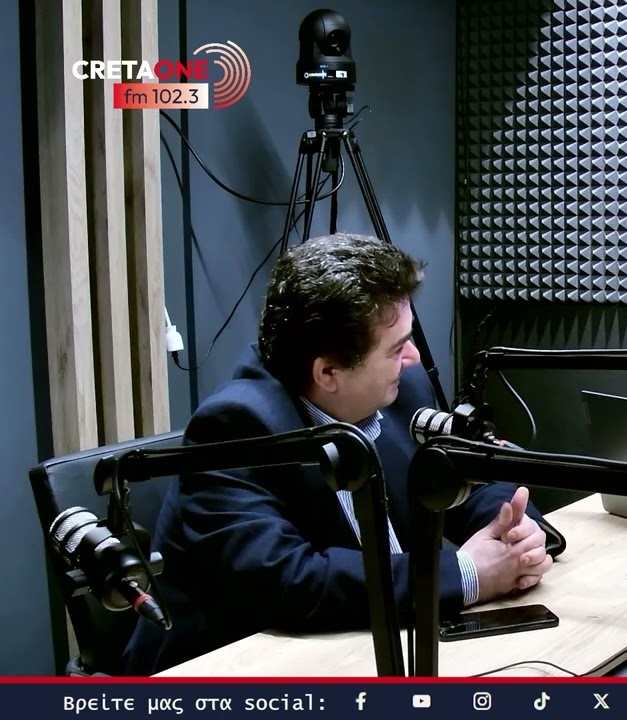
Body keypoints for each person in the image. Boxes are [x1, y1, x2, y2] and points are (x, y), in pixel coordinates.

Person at [122, 233, 558, 675]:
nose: (413, 357)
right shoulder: (233, 429)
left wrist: (514, 531)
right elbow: (290, 581)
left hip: (368, 646)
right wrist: (467, 574)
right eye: (396, 348)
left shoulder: (400, 388)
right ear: (328, 372)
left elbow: (461, 473)